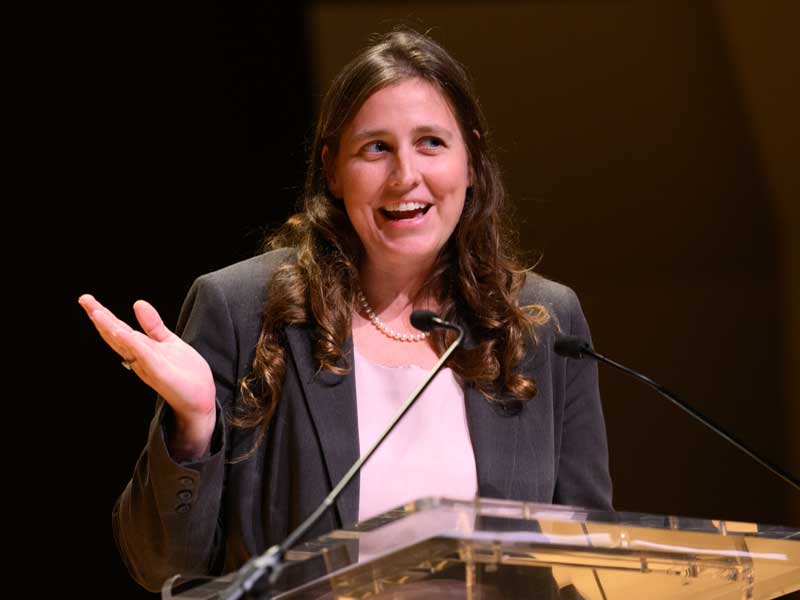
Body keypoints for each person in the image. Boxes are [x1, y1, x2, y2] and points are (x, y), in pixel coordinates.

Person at [79, 27, 612, 593]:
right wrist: (194, 426)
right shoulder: (244, 311)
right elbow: (159, 566)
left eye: (431, 142)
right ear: (333, 169)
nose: (406, 176)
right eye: (376, 148)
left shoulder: (543, 323)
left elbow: (590, 562)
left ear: (473, 161)